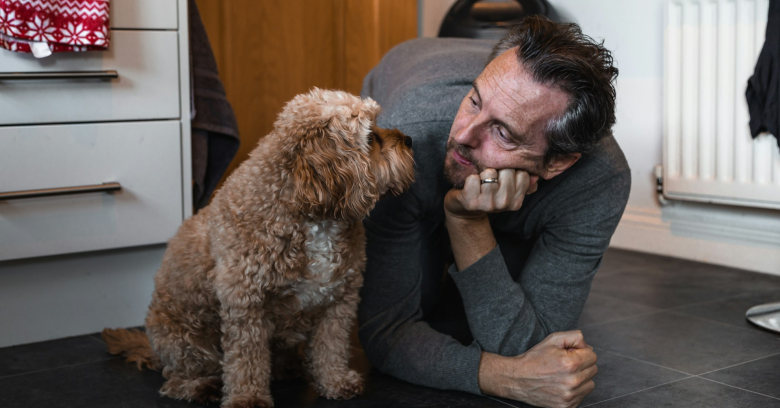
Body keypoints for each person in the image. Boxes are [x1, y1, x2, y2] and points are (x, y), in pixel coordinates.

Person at [357, 16, 630, 408]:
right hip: (406, 71)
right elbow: (386, 330)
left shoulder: (601, 180)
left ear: (557, 164)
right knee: (428, 297)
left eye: (503, 132)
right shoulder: (405, 146)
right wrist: (503, 379)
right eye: (474, 101)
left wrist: (467, 222)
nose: (464, 135)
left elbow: (532, 346)